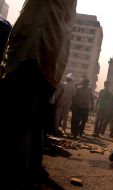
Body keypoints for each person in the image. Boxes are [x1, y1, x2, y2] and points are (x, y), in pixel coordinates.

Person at [0, 0, 77, 188]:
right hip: (48, 57)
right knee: (31, 125)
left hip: (33, 52)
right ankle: (29, 172)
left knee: (16, 125)